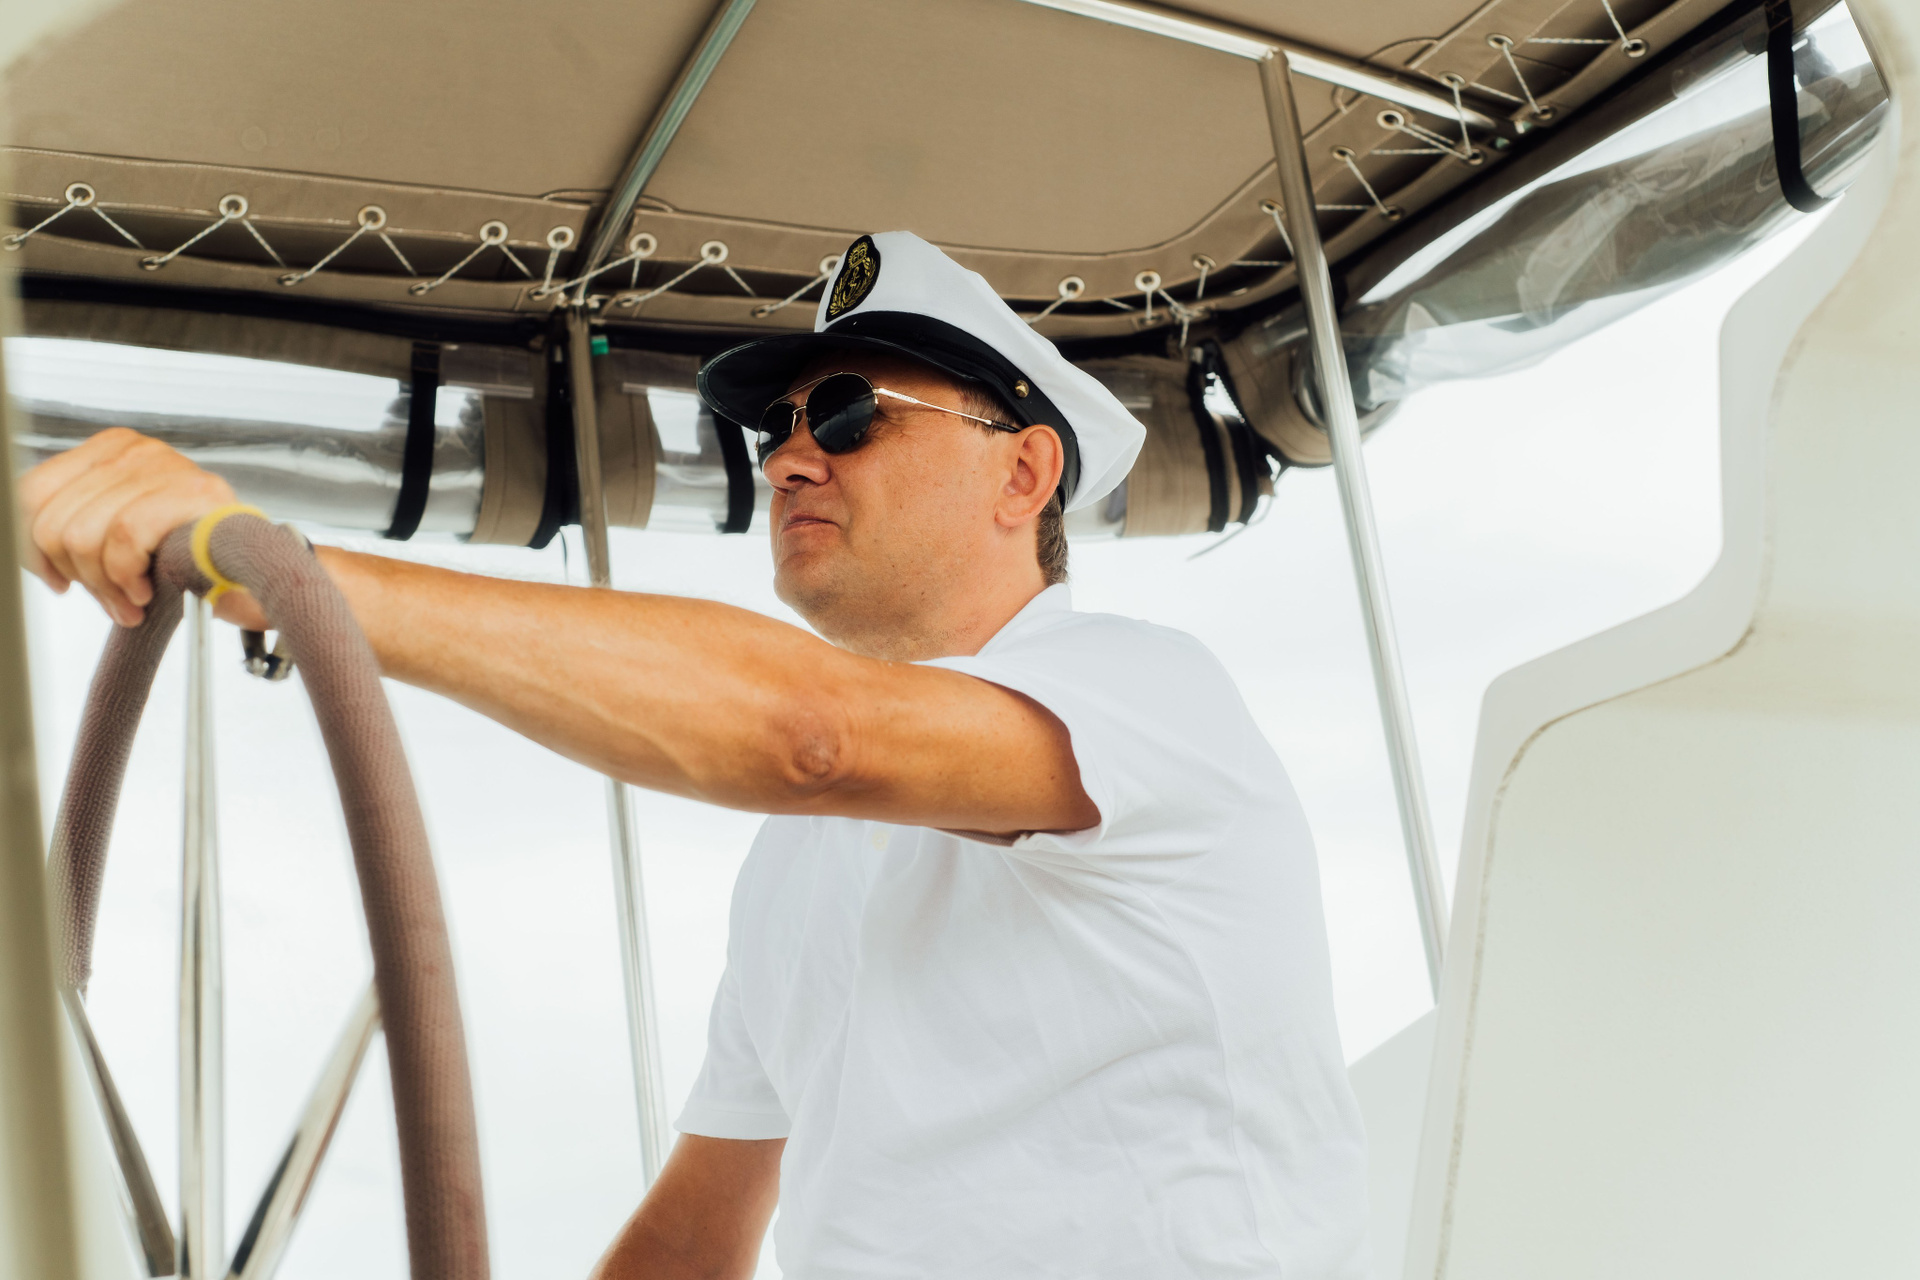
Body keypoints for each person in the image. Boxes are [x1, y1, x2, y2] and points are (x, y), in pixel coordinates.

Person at [19, 231, 1368, 1278]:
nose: (788, 462)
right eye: (775, 430)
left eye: (849, 414)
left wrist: (298, 576)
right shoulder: (803, 858)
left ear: (1023, 476)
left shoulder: (1142, 698)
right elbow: (696, 1235)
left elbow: (808, 734)